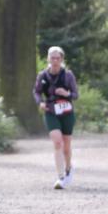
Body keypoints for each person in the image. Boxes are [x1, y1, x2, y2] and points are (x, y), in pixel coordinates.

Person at [33, 46, 79, 189]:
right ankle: (61, 176)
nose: (55, 61)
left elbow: (75, 95)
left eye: (58, 58)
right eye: (52, 58)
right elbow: (36, 92)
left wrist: (66, 94)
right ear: (48, 59)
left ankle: (68, 168)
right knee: (57, 143)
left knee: (66, 146)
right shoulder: (43, 76)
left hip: (66, 113)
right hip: (51, 111)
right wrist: (40, 102)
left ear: (62, 59)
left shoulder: (68, 75)